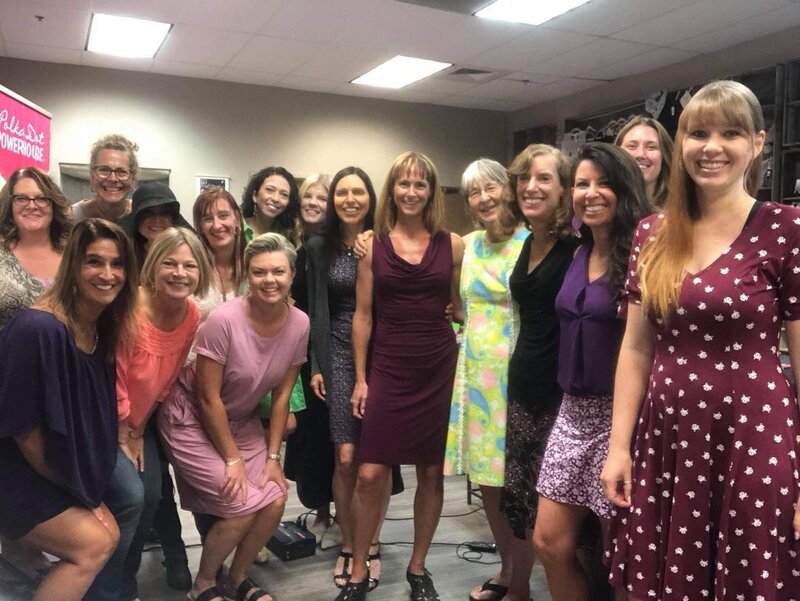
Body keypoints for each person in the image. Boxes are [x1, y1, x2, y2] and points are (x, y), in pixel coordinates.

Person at [601, 80, 800, 599]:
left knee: (749, 571)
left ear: (758, 143)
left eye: (730, 132)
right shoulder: (652, 232)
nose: (711, 146)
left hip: (755, 433)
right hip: (667, 436)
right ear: (680, 144)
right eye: (698, 133)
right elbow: (636, 348)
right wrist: (618, 448)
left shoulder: (787, 228)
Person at [337, 151, 464, 601]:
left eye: (421, 184)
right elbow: (363, 316)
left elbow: (459, 306)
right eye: (403, 184)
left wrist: (458, 314)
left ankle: (417, 568)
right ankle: (357, 570)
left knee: (431, 473)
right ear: (391, 189)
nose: (411, 192)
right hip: (389, 365)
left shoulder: (454, 245)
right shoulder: (373, 245)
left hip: (437, 365)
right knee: (371, 473)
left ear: (431, 191)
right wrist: (360, 378)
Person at [159, 233, 309, 601]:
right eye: (259, 272)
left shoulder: (300, 323)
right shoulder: (223, 320)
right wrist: (233, 459)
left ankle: (237, 578)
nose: (269, 280)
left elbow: (282, 397)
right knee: (241, 504)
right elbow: (207, 397)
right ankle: (204, 584)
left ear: (291, 275)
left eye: (278, 271)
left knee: (275, 497)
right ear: (248, 276)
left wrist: (273, 458)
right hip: (191, 418)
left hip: (239, 419)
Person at [532, 143, 649, 601]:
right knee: (549, 540)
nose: (591, 193)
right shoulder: (578, 252)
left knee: (621, 555)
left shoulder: (644, 252)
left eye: (604, 183)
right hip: (572, 413)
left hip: (623, 418)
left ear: (625, 190)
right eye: (582, 184)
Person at [0, 218, 137, 601]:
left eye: (117, 264)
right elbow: (24, 434)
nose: (107, 274)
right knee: (94, 543)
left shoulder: (101, 326)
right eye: (94, 262)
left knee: (123, 511)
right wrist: (78, 492)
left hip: (59, 461)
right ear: (73, 266)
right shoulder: (39, 329)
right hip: (17, 468)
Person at [441, 158, 528, 601]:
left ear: (508, 189)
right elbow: (454, 305)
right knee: (489, 482)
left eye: (491, 187)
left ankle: (524, 583)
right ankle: (508, 567)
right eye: (474, 192)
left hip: (520, 376)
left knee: (520, 484)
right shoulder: (467, 244)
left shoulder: (533, 242)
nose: (484, 197)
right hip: (476, 377)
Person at [498, 144, 576, 601]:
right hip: (522, 387)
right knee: (521, 502)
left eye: (544, 178)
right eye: (524, 177)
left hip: (560, 395)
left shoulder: (576, 246)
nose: (531, 186)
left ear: (564, 188)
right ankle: (521, 589)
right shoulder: (529, 239)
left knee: (559, 519)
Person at [115, 227, 210, 601]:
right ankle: (116, 580)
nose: (179, 272)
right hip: (108, 419)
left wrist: (140, 427)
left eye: (189, 265)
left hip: (143, 421)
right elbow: (114, 375)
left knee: (151, 494)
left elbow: (167, 378)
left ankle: (128, 573)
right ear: (153, 267)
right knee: (132, 496)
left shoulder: (190, 315)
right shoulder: (130, 308)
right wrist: (126, 431)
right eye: (170, 263)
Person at [308, 167, 389, 589]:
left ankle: (371, 542)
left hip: (385, 352)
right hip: (338, 351)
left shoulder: (384, 238)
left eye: (359, 191)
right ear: (333, 199)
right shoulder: (318, 245)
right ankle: (347, 539)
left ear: (370, 197)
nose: (350, 199)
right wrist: (316, 364)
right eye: (342, 192)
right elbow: (313, 308)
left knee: (377, 457)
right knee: (345, 457)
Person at [0, 167, 72, 574]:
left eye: (40, 198)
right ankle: (18, 553)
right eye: (22, 197)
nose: (32, 205)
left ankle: (54, 552)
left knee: (51, 463)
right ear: (10, 205)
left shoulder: (73, 250)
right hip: (8, 380)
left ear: (53, 205)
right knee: (15, 470)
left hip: (63, 381)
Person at [120, 181, 192, 268]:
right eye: (148, 212)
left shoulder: (190, 253)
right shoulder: (121, 254)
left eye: (164, 213)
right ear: (136, 218)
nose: (157, 220)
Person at [71, 134, 138, 223]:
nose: (112, 179)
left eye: (121, 171)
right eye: (104, 170)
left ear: (132, 178)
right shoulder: (71, 218)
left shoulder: (143, 216)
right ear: (92, 175)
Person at [615, 116, 673, 208]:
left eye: (651, 147)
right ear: (616, 154)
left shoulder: (681, 212)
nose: (640, 154)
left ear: (664, 156)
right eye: (632, 146)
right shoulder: (605, 212)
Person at [241, 167, 300, 242]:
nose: (276, 199)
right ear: (255, 195)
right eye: (269, 190)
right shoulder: (238, 229)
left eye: (284, 194)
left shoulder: (289, 234)